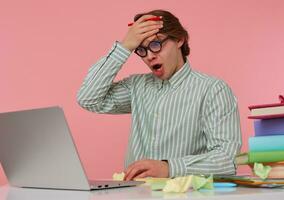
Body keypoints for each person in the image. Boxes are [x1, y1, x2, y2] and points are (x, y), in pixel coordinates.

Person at [77, 9, 242, 181]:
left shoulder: (213, 90)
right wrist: (125, 46)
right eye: (141, 50)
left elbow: (227, 159)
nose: (149, 56)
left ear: (179, 39)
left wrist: (169, 168)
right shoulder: (136, 87)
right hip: (134, 194)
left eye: (156, 44)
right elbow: (88, 98)